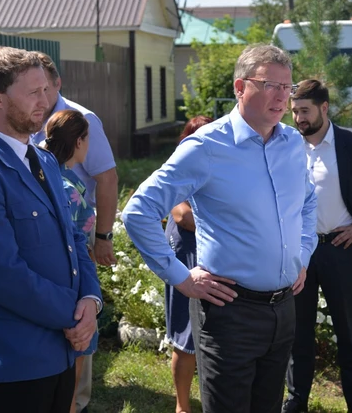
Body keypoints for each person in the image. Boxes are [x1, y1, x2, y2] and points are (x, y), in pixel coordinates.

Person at [122, 44, 318, 413]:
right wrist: (180, 277)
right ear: (240, 87)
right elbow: (139, 211)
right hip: (230, 312)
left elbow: (307, 203)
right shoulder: (206, 146)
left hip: (283, 309)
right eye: (270, 85)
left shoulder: (292, 143)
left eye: (287, 87)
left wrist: (302, 255)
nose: (282, 97)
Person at [0, 46, 102, 413]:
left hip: (61, 352)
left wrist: (91, 301)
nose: (45, 101)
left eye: (46, 90)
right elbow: (2, 274)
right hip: (15, 361)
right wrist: (74, 315)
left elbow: (73, 238)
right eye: (32, 92)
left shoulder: (43, 158)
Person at [285, 80, 352, 413]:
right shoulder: (284, 144)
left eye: (305, 111)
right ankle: (296, 401)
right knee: (297, 334)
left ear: (324, 108)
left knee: (348, 333)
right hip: (298, 253)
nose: (298, 119)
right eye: (294, 112)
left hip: (340, 249)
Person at [30, 52, 118, 413]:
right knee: (77, 332)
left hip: (68, 257)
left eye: (44, 89)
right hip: (63, 263)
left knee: (75, 330)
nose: (38, 97)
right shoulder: (66, 186)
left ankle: (71, 401)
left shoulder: (83, 120)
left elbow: (108, 178)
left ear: (57, 84)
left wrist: (103, 236)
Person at [42, 109, 100, 413]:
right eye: (87, 138)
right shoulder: (66, 187)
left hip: (60, 284)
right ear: (79, 141)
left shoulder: (49, 173)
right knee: (74, 368)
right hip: (74, 285)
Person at [163, 115, 213, 413]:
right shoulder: (177, 169)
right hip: (186, 259)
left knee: (212, 339)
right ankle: (183, 406)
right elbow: (183, 216)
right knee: (186, 338)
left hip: (214, 260)